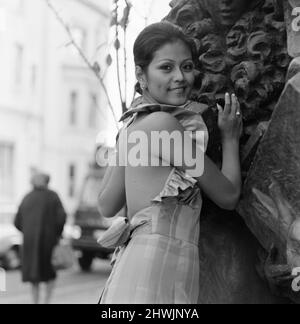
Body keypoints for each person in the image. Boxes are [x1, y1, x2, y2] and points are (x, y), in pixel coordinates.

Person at [97, 22, 242, 304]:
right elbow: (228, 195)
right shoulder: (165, 124)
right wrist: (231, 138)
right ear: (141, 73)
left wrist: (122, 143)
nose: (180, 77)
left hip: (132, 267)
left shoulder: (131, 129)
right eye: (166, 68)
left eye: (187, 66)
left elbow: (106, 204)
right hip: (161, 269)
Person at [14, 172, 66, 304]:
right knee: (50, 273)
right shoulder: (53, 196)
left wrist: (27, 231)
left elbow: (16, 221)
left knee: (34, 276)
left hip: (29, 243)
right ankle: (46, 301)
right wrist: (57, 235)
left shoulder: (26, 197)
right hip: (48, 242)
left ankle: (35, 301)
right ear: (47, 182)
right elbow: (62, 218)